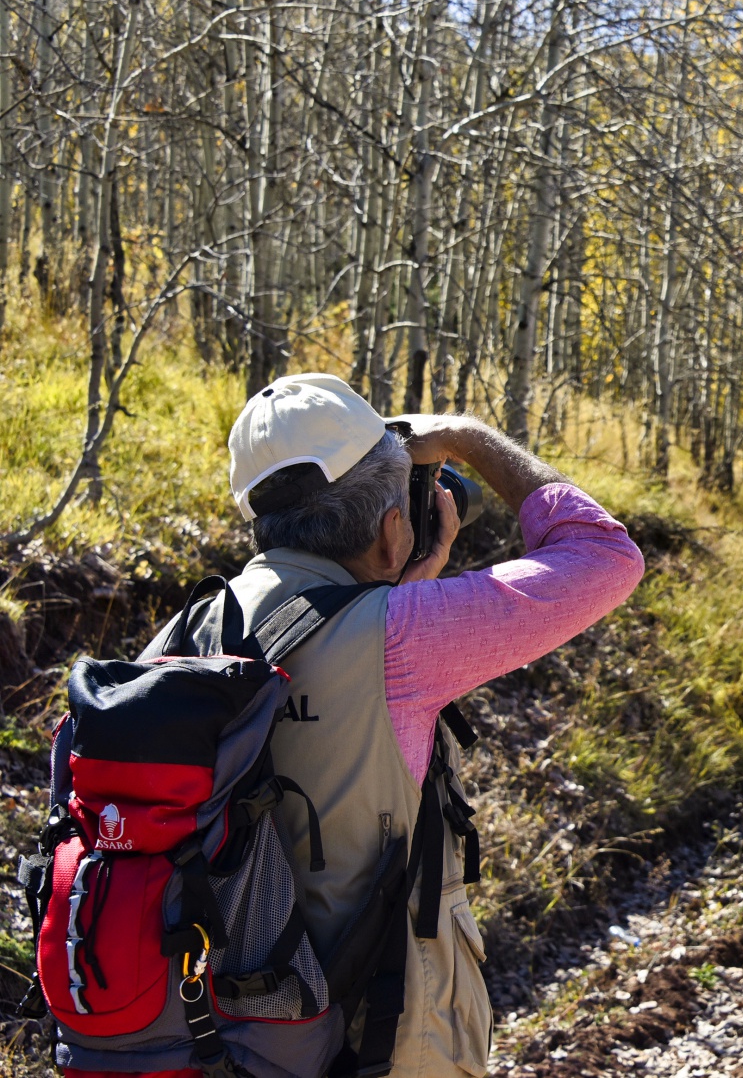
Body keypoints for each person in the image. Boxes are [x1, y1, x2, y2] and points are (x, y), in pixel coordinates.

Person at [157, 374, 645, 1076]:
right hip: (376, 1038)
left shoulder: (182, 632)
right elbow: (604, 554)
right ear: (394, 529)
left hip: (216, 1037)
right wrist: (467, 437)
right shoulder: (404, 640)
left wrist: (396, 588)